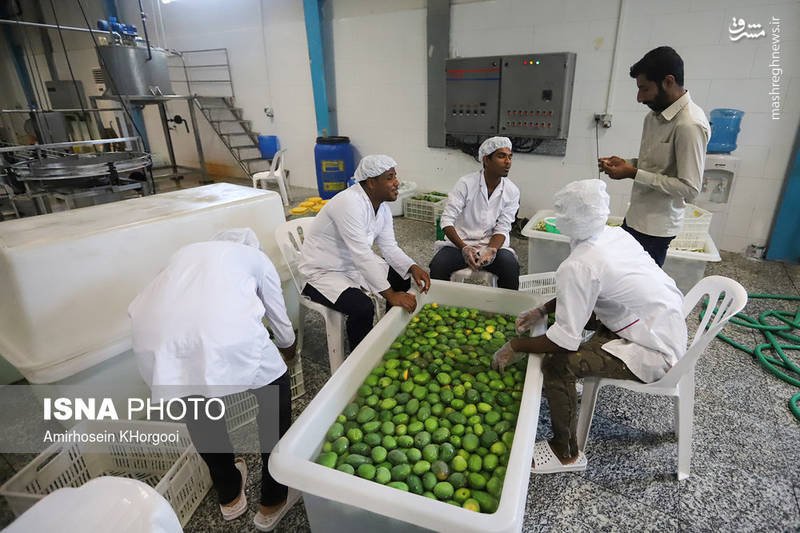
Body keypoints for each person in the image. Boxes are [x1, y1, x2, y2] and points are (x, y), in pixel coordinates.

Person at [491, 180, 687, 473]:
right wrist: (542, 310)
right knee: (580, 320)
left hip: (653, 350)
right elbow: (585, 286)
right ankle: (565, 394)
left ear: (569, 219)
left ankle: (565, 452)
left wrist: (514, 346)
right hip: (661, 322)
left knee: (557, 364)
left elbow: (563, 342)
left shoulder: (580, 263)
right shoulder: (613, 234)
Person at [128, 228, 299, 531]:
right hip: (224, 333)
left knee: (195, 402)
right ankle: (274, 496)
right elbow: (279, 321)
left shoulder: (185, 253)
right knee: (275, 394)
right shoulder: (256, 257)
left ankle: (229, 493)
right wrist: (288, 353)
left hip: (154, 336)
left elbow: (161, 298)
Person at [299, 155, 431, 350]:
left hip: (351, 265)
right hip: (321, 272)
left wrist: (413, 266)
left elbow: (389, 247)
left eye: (395, 176)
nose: (397, 182)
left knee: (401, 277)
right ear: (371, 182)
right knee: (362, 307)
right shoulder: (349, 203)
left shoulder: (382, 208)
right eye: (390, 177)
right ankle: (360, 355)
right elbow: (361, 254)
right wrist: (391, 295)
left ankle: (388, 333)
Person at [599, 46, 710, 267]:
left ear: (668, 81)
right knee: (617, 276)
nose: (640, 98)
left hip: (657, 229)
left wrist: (633, 172)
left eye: (645, 89)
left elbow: (689, 188)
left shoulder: (689, 124)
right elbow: (655, 165)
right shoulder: (653, 117)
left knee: (639, 288)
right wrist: (626, 164)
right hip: (635, 218)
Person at [429, 136, 521, 289]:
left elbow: (503, 227)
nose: (508, 162)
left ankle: (505, 310)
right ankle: (439, 305)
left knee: (510, 267)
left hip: (491, 246)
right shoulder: (466, 184)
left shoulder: (512, 191)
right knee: (439, 265)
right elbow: (447, 220)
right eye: (501, 156)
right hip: (460, 245)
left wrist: (491, 250)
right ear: (486, 160)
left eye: (510, 157)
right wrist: (464, 248)